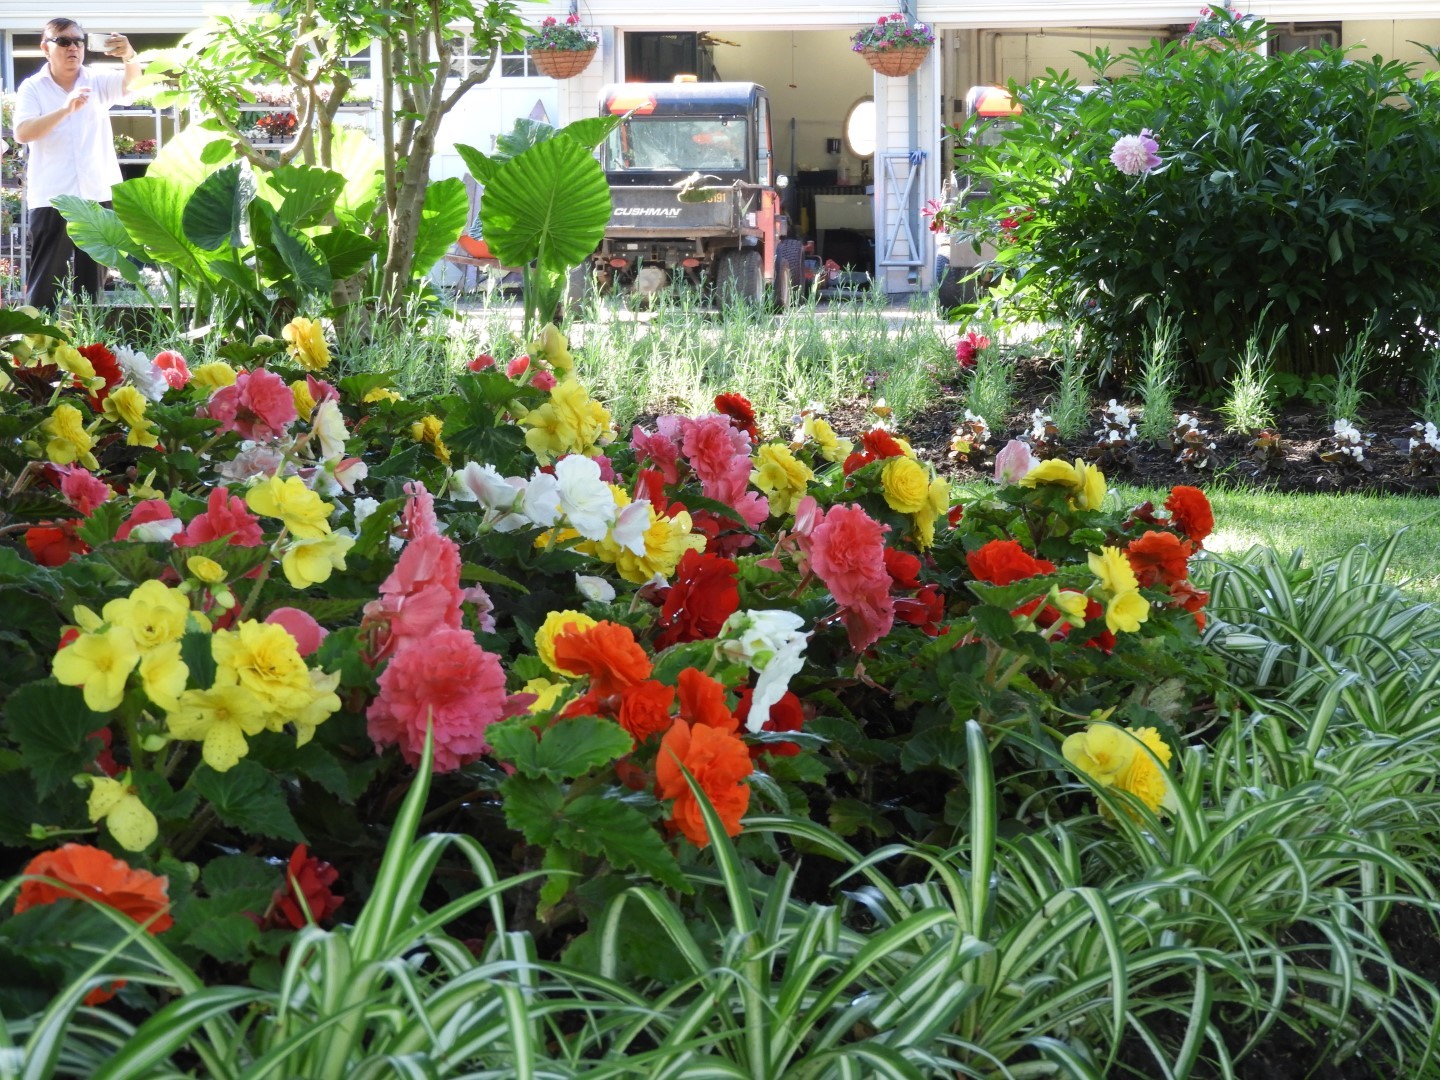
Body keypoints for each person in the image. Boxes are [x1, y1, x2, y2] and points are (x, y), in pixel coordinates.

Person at [13, 19, 142, 311]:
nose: (73, 47)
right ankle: (37, 349)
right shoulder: (32, 87)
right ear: (45, 48)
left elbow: (131, 86)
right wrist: (64, 109)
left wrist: (129, 56)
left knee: (92, 287)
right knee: (45, 283)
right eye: (64, 41)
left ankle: (90, 349)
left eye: (78, 41)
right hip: (53, 196)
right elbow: (23, 132)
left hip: (98, 194)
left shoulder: (96, 79)